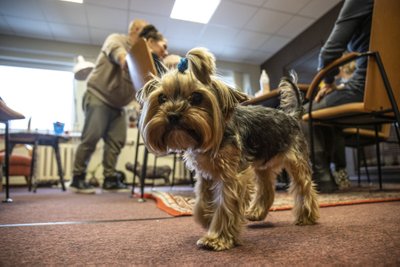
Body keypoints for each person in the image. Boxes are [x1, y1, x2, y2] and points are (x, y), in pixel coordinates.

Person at [303, 0, 374, 193]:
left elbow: (329, 52)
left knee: (302, 114)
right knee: (326, 117)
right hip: (389, 93)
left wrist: (327, 83)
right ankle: (337, 172)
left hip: (365, 88)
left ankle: (323, 178)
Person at [70, 19, 148, 194]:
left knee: (116, 141)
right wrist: (124, 59)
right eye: (145, 30)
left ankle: (110, 179)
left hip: (119, 106)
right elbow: (116, 51)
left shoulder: (143, 55)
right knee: (91, 138)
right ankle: (77, 178)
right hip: (99, 96)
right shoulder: (117, 39)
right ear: (135, 30)